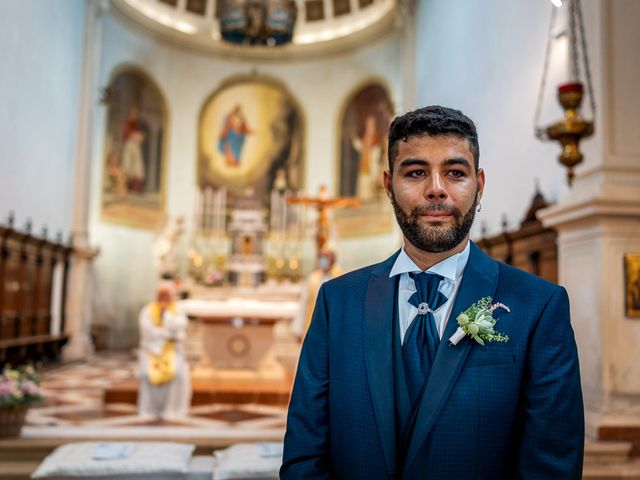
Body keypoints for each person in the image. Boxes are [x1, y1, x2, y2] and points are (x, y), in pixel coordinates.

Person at [281, 106, 584, 479]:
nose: (436, 188)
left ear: (479, 184)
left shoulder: (538, 306)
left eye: (455, 173)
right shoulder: (337, 302)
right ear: (388, 185)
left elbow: (551, 466)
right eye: (416, 172)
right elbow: (304, 454)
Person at [138, 282, 191, 419]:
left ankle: (172, 410)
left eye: (166, 294)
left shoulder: (177, 309)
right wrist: (166, 334)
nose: (164, 297)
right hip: (152, 350)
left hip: (173, 350)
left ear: (172, 295)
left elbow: (181, 327)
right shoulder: (148, 310)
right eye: (161, 294)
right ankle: (150, 410)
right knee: (146, 374)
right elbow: (147, 330)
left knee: (177, 374)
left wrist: (166, 314)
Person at [290, 249, 344, 342]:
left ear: (333, 260)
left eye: (326, 258)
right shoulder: (312, 278)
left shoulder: (341, 277)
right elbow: (304, 302)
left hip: (334, 325)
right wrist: (298, 328)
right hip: (315, 324)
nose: (322, 260)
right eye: (321, 258)